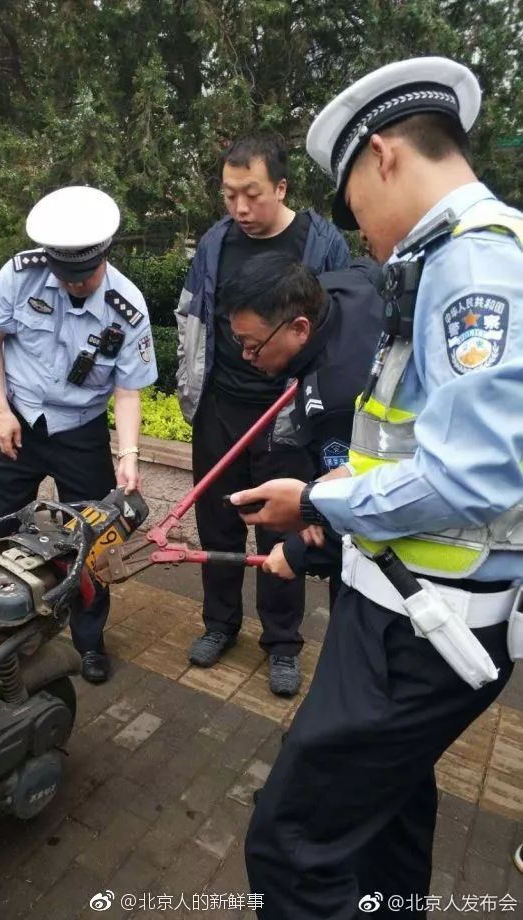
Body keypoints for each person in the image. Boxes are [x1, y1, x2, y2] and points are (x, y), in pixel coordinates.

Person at [234, 57, 523, 919]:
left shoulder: (475, 270)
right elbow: (410, 442)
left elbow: (472, 475)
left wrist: (318, 503)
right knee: (385, 817)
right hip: (403, 610)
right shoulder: (447, 260)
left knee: (289, 843)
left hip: (422, 632)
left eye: (354, 198)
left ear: (387, 155)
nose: (358, 228)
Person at [175, 133, 350, 696]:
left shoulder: (321, 245)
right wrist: (191, 393)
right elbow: (193, 321)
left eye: (251, 194)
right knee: (218, 521)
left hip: (289, 415)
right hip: (220, 409)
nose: (240, 209)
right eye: (229, 196)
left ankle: (282, 643)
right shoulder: (215, 243)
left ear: (280, 186)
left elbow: (337, 333)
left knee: (281, 524)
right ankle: (220, 624)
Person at [0, 186, 157, 685]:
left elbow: (127, 392)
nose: (76, 285)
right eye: (66, 276)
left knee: (89, 540)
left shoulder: (127, 308)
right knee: (0, 531)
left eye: (86, 276)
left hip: (80, 432)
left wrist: (129, 454)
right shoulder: (20, 275)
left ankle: (89, 641)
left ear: (105, 255)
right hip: (19, 423)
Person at [225, 251, 384, 601]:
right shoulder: (335, 289)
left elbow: (359, 493)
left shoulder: (337, 399)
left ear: (300, 328)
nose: (246, 357)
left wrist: (298, 547)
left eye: (253, 347)